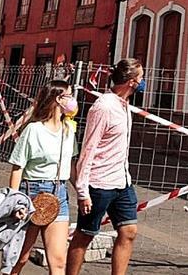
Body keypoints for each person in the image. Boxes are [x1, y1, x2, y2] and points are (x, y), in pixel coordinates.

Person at [68, 58, 144, 275]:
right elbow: (88, 149)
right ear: (131, 81)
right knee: (85, 236)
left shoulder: (124, 105)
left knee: (129, 231)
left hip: (122, 181)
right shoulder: (104, 107)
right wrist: (83, 191)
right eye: (140, 77)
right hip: (99, 184)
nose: (143, 81)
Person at [6, 79, 79, 275]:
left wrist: (82, 192)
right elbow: (17, 167)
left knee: (58, 262)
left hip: (59, 194)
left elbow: (70, 165)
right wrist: (15, 202)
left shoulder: (69, 130)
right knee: (19, 258)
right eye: (70, 96)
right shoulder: (33, 130)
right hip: (31, 194)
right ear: (58, 99)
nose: (73, 101)